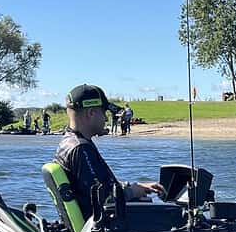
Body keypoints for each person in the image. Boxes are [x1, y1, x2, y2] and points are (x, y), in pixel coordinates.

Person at [54, 84, 163, 219]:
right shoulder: (81, 149)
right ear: (91, 113)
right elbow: (102, 200)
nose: (106, 119)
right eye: (104, 113)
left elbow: (100, 186)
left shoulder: (68, 142)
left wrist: (135, 186)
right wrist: (132, 192)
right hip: (104, 231)